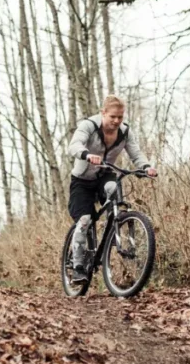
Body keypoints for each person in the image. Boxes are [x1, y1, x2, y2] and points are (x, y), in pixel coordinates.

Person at [66, 95, 157, 282]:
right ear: (103, 113)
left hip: (105, 175)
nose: (116, 121)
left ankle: (115, 226)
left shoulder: (124, 132)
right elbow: (74, 145)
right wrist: (87, 154)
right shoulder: (89, 126)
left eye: (120, 117)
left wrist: (146, 167)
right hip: (82, 180)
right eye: (112, 117)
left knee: (114, 194)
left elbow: (135, 153)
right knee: (84, 220)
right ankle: (78, 266)